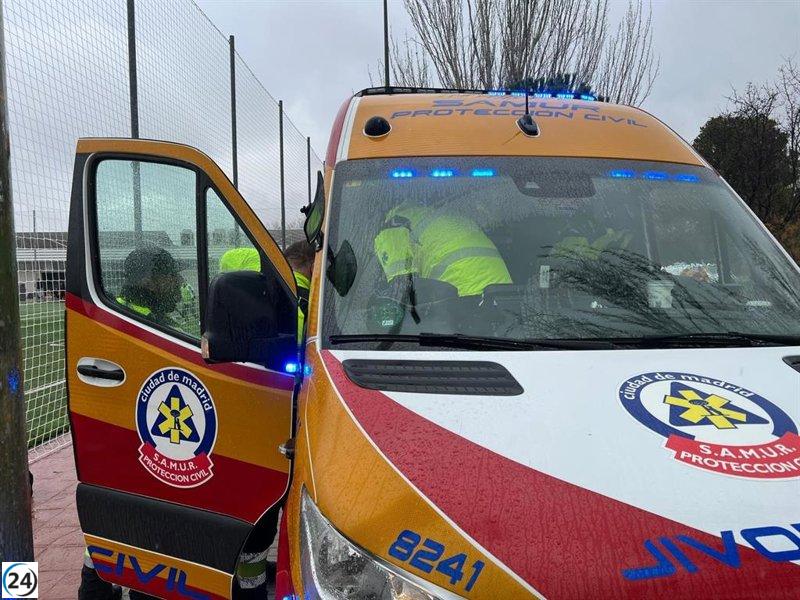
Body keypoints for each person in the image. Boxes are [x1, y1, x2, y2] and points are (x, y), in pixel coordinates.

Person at [373, 201, 512, 297]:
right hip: (501, 289)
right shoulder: (435, 215)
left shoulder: (393, 227)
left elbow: (402, 287)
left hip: (464, 292)